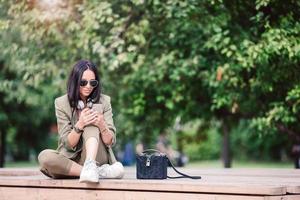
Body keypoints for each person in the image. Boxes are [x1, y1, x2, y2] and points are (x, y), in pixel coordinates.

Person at [38, 60, 124, 183]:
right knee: (44, 157)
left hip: (98, 156)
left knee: (91, 118)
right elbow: (67, 144)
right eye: (83, 82)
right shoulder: (61, 103)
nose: (88, 86)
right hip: (72, 160)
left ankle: (91, 166)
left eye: (92, 82)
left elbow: (110, 141)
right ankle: (97, 172)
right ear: (75, 81)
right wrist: (80, 124)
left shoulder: (104, 101)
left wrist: (101, 124)